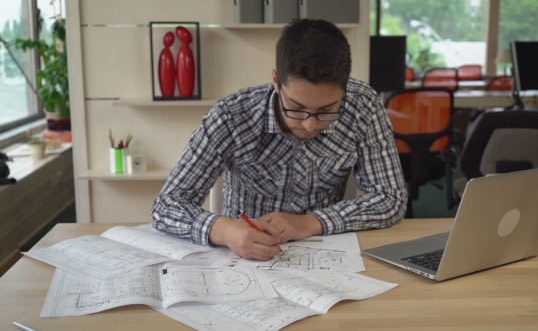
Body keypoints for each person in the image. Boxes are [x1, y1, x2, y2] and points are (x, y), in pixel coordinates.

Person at [152, 19, 407, 261]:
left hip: (325, 252)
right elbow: (166, 206)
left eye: (327, 110)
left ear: (345, 87)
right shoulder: (231, 116)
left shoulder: (362, 106)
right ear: (276, 81)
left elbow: (390, 198)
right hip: (242, 255)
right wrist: (225, 231)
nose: (310, 124)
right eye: (296, 107)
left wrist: (313, 221)